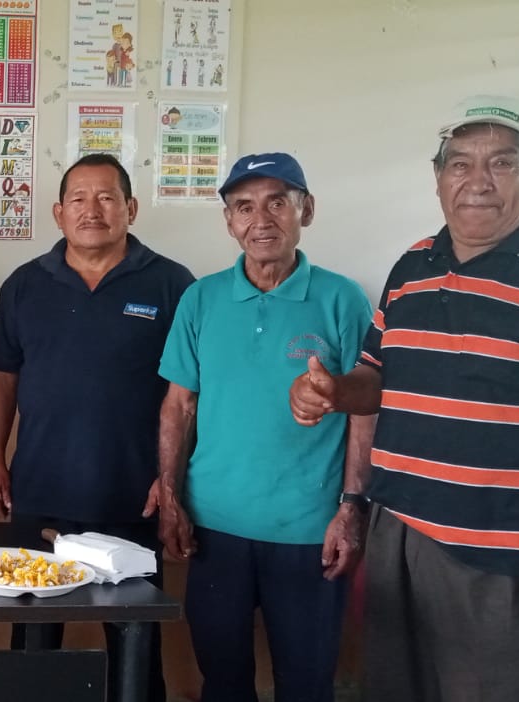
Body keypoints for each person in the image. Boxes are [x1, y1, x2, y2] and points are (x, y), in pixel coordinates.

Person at [289, 95, 519, 702]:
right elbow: (378, 378)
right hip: (400, 531)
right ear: (438, 177)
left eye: (502, 163)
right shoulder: (411, 268)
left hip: (503, 553)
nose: (478, 181)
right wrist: (335, 391)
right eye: (460, 163)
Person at [148, 153, 374, 702]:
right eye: (244, 207)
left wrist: (351, 507)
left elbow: (365, 409)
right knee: (223, 681)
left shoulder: (342, 298)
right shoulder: (201, 298)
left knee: (306, 683)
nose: (261, 220)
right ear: (229, 221)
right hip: (215, 527)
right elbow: (179, 406)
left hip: (309, 529)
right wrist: (171, 497)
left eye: (277, 203)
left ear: (306, 210)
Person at [0, 153, 194, 701]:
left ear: (131, 208)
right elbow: (2, 377)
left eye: (106, 197)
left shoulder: (173, 284)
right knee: (33, 642)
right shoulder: (24, 284)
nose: (91, 210)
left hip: (134, 494)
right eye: (78, 198)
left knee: (135, 645)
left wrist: (171, 478)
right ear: (58, 213)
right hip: (41, 490)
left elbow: (189, 394)